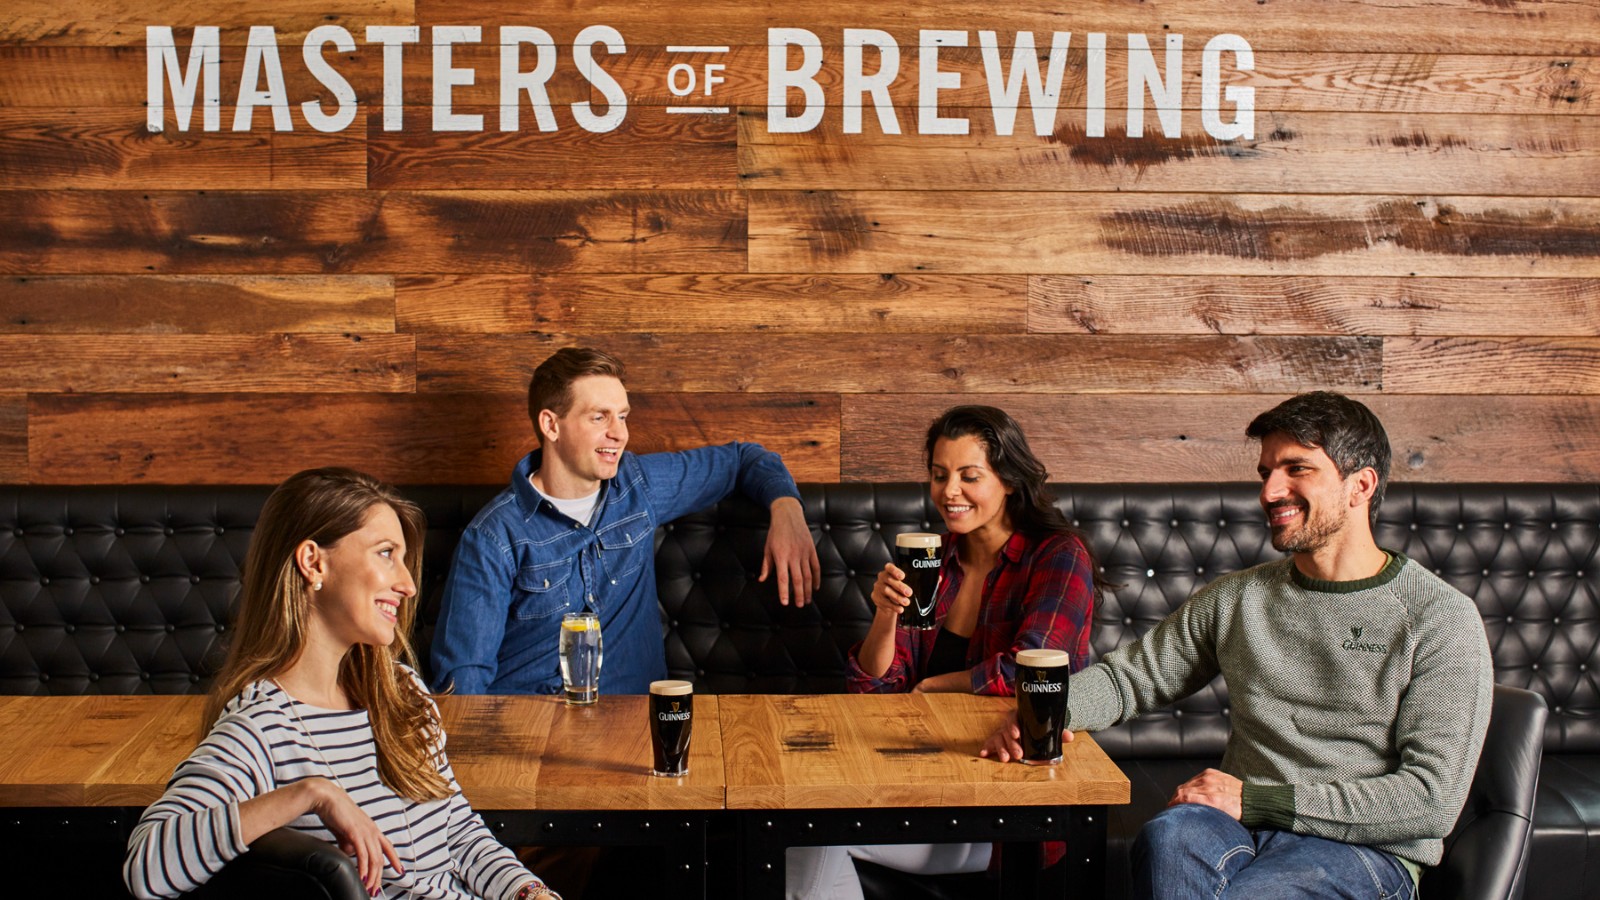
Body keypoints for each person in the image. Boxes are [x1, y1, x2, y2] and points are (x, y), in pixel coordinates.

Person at [982, 392, 1493, 900]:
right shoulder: (1238, 598)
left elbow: (1430, 801)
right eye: (1266, 472)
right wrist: (1044, 712)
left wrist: (1256, 801)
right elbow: (1130, 678)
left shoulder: (1439, 618)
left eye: (1297, 469)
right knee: (1168, 836)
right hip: (1235, 824)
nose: (1271, 491)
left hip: (1365, 851)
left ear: (1361, 485)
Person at [123, 468, 557, 900]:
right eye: (386, 553)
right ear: (314, 562)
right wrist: (311, 794)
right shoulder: (263, 726)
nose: (407, 585)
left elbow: (458, 832)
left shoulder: (401, 690)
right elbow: (147, 867)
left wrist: (528, 891)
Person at [788, 405, 1104, 900]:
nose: (948, 491)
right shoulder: (933, 559)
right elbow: (876, 688)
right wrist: (885, 614)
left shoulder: (1058, 555)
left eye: (968, 476)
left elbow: (1035, 665)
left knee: (812, 839)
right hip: (921, 780)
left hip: (1007, 803)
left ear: (1009, 481)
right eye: (939, 475)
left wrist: (935, 686)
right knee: (800, 830)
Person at [430, 347, 820, 696]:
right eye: (599, 417)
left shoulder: (639, 486)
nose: (619, 433)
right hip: (532, 733)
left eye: (622, 416)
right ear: (551, 425)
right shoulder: (494, 536)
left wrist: (786, 509)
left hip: (630, 726)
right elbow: (463, 682)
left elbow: (744, 459)